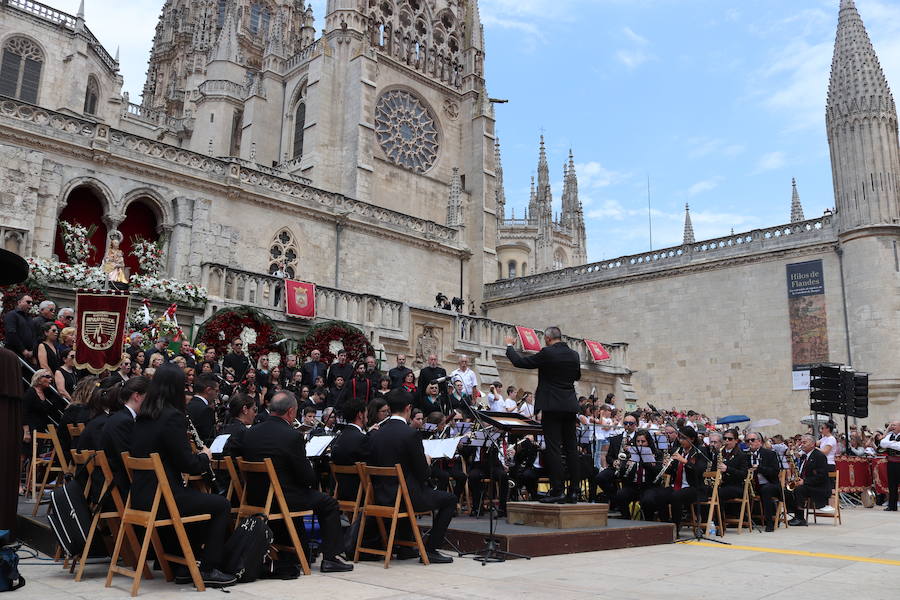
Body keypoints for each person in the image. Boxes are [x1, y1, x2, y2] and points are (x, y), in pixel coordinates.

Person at [130, 365, 235, 586]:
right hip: (163, 497)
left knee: (197, 502)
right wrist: (205, 456)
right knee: (221, 505)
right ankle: (208, 568)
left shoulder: (144, 415)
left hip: (140, 495)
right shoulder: (172, 416)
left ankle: (183, 565)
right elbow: (189, 465)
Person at [235, 390, 353, 572]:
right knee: (328, 502)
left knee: (298, 496)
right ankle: (332, 557)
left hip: (255, 497)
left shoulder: (250, 433)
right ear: (291, 412)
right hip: (282, 498)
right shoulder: (292, 436)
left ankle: (299, 552)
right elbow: (307, 478)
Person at [367, 390, 455, 563]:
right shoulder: (411, 434)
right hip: (405, 498)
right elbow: (423, 474)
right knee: (450, 499)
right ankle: (430, 549)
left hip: (380, 495)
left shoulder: (376, 433)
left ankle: (406, 548)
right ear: (408, 408)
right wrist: (427, 462)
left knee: (409, 486)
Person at [505, 327, 581, 504]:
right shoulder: (574, 355)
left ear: (547, 339)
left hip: (552, 405)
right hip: (570, 405)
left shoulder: (547, 353)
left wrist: (509, 346)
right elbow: (576, 376)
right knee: (571, 449)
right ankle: (574, 491)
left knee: (553, 448)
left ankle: (557, 490)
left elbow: (520, 362)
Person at [640, 426, 708, 532]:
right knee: (660, 494)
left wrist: (685, 462)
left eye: (683, 438)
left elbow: (699, 470)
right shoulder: (678, 450)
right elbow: (672, 472)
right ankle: (666, 524)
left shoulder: (699, 451)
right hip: (676, 485)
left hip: (693, 487)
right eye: (679, 438)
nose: (681, 441)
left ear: (692, 439)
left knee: (676, 496)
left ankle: (676, 526)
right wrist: (667, 466)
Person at [99, 376, 150, 496]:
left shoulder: (122, 416)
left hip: (116, 481)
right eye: (149, 398)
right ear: (137, 396)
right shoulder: (124, 421)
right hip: (119, 488)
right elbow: (130, 458)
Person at [613, 429, 661, 519]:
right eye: (638, 441)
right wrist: (624, 466)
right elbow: (622, 475)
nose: (640, 444)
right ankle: (626, 519)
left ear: (648, 442)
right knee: (620, 495)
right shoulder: (631, 453)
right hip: (633, 485)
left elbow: (658, 473)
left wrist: (647, 462)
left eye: (643, 441)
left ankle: (648, 521)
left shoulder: (656, 454)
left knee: (648, 500)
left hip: (649, 486)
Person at [330, 398, 371, 501]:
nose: (367, 417)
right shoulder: (362, 439)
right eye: (366, 413)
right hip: (360, 494)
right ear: (360, 415)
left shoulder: (338, 438)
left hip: (341, 492)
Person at [786, 434, 831, 526]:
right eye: (801, 442)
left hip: (819, 487)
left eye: (804, 442)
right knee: (786, 490)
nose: (801, 444)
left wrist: (804, 481)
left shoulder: (819, 456)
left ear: (812, 444)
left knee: (799, 490)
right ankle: (794, 513)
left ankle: (800, 518)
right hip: (808, 485)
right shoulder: (804, 456)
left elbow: (821, 476)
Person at [745, 431, 782, 531]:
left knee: (766, 489)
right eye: (747, 441)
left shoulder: (770, 454)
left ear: (759, 442)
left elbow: (775, 472)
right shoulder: (745, 455)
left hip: (769, 483)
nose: (750, 442)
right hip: (752, 485)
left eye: (752, 440)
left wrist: (759, 468)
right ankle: (744, 520)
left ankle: (769, 522)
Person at [22, 369, 54, 448]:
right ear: (39, 379)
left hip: (39, 430)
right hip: (30, 430)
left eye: (50, 377)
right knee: (25, 456)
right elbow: (23, 412)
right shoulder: (30, 393)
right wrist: (26, 432)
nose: (50, 379)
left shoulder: (45, 393)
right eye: (47, 376)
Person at [716, 428, 749, 503]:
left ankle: (719, 514)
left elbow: (743, 474)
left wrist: (728, 469)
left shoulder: (741, 455)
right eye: (725, 438)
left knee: (719, 493)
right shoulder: (719, 453)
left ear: (736, 441)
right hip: (722, 485)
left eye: (730, 439)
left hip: (736, 486)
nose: (726, 440)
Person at [187, 375, 218, 447]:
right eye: (216, 391)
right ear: (208, 390)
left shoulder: (190, 404)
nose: (217, 394)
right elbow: (208, 437)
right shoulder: (205, 409)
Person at [3, 293, 36, 362]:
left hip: (28, 356)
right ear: (19, 302)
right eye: (28, 302)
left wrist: (32, 351)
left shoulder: (29, 318)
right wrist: (23, 350)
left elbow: (33, 335)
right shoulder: (11, 315)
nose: (31, 304)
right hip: (14, 354)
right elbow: (11, 333)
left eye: (32, 302)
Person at [878, 420, 900, 511]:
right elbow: (882, 444)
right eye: (892, 425)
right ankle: (892, 506)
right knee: (892, 485)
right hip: (891, 463)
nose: (892, 427)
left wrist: (889, 444)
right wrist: (893, 444)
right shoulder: (890, 435)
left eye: (894, 425)